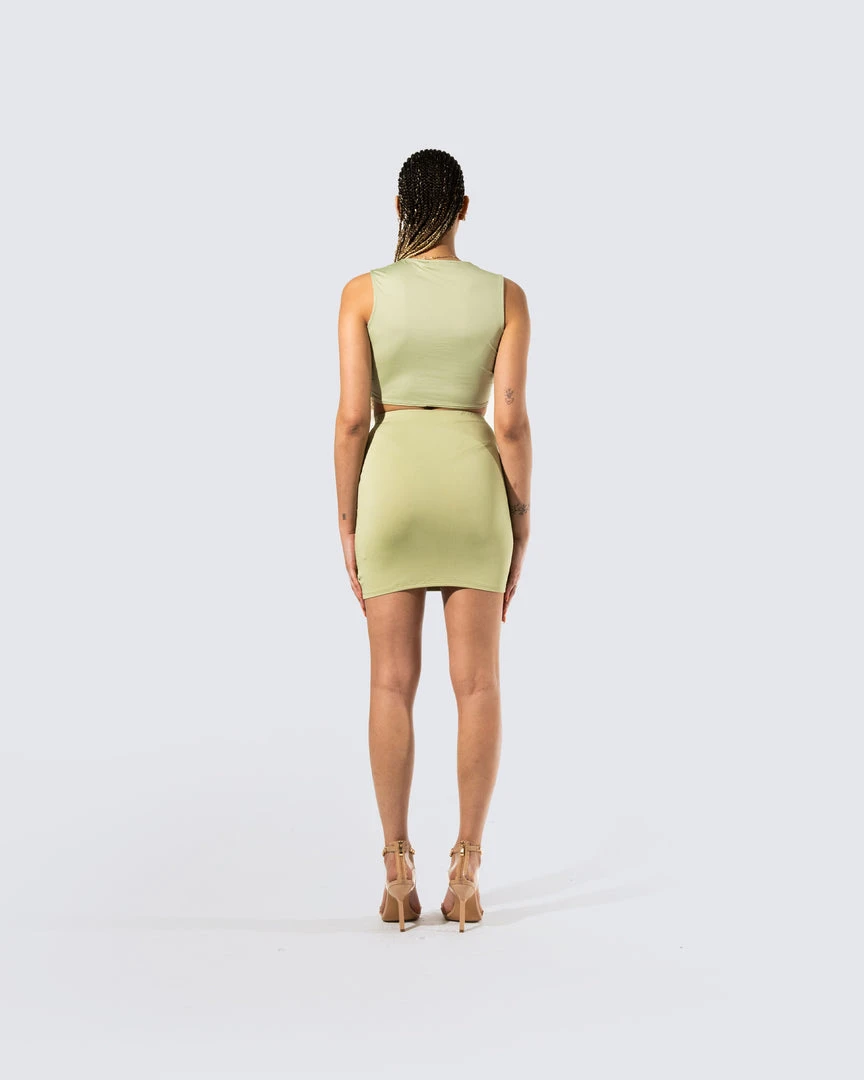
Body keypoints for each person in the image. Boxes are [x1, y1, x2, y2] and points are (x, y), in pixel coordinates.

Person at [333, 148, 532, 931]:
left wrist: (348, 519)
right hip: (472, 484)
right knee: (478, 684)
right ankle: (467, 869)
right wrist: (521, 516)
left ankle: (395, 868)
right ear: (465, 209)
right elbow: (509, 421)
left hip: (392, 484)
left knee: (390, 683)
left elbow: (353, 419)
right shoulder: (505, 296)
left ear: (397, 207)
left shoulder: (363, 293)